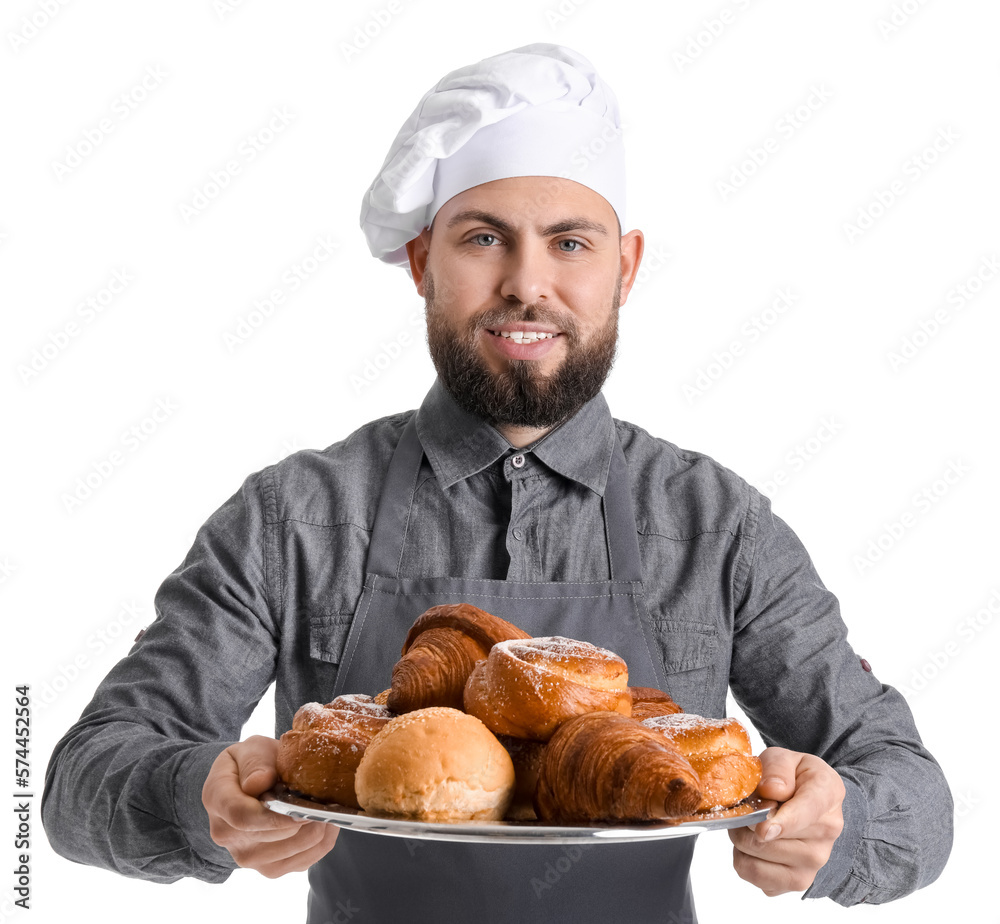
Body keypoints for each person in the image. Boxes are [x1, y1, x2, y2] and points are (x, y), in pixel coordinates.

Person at [43, 44, 952, 923]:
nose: (528, 284)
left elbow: (913, 792)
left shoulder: (717, 527)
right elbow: (82, 781)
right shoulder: (296, 517)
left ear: (624, 268)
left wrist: (841, 825)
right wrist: (196, 796)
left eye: (569, 242)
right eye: (484, 239)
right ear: (421, 262)